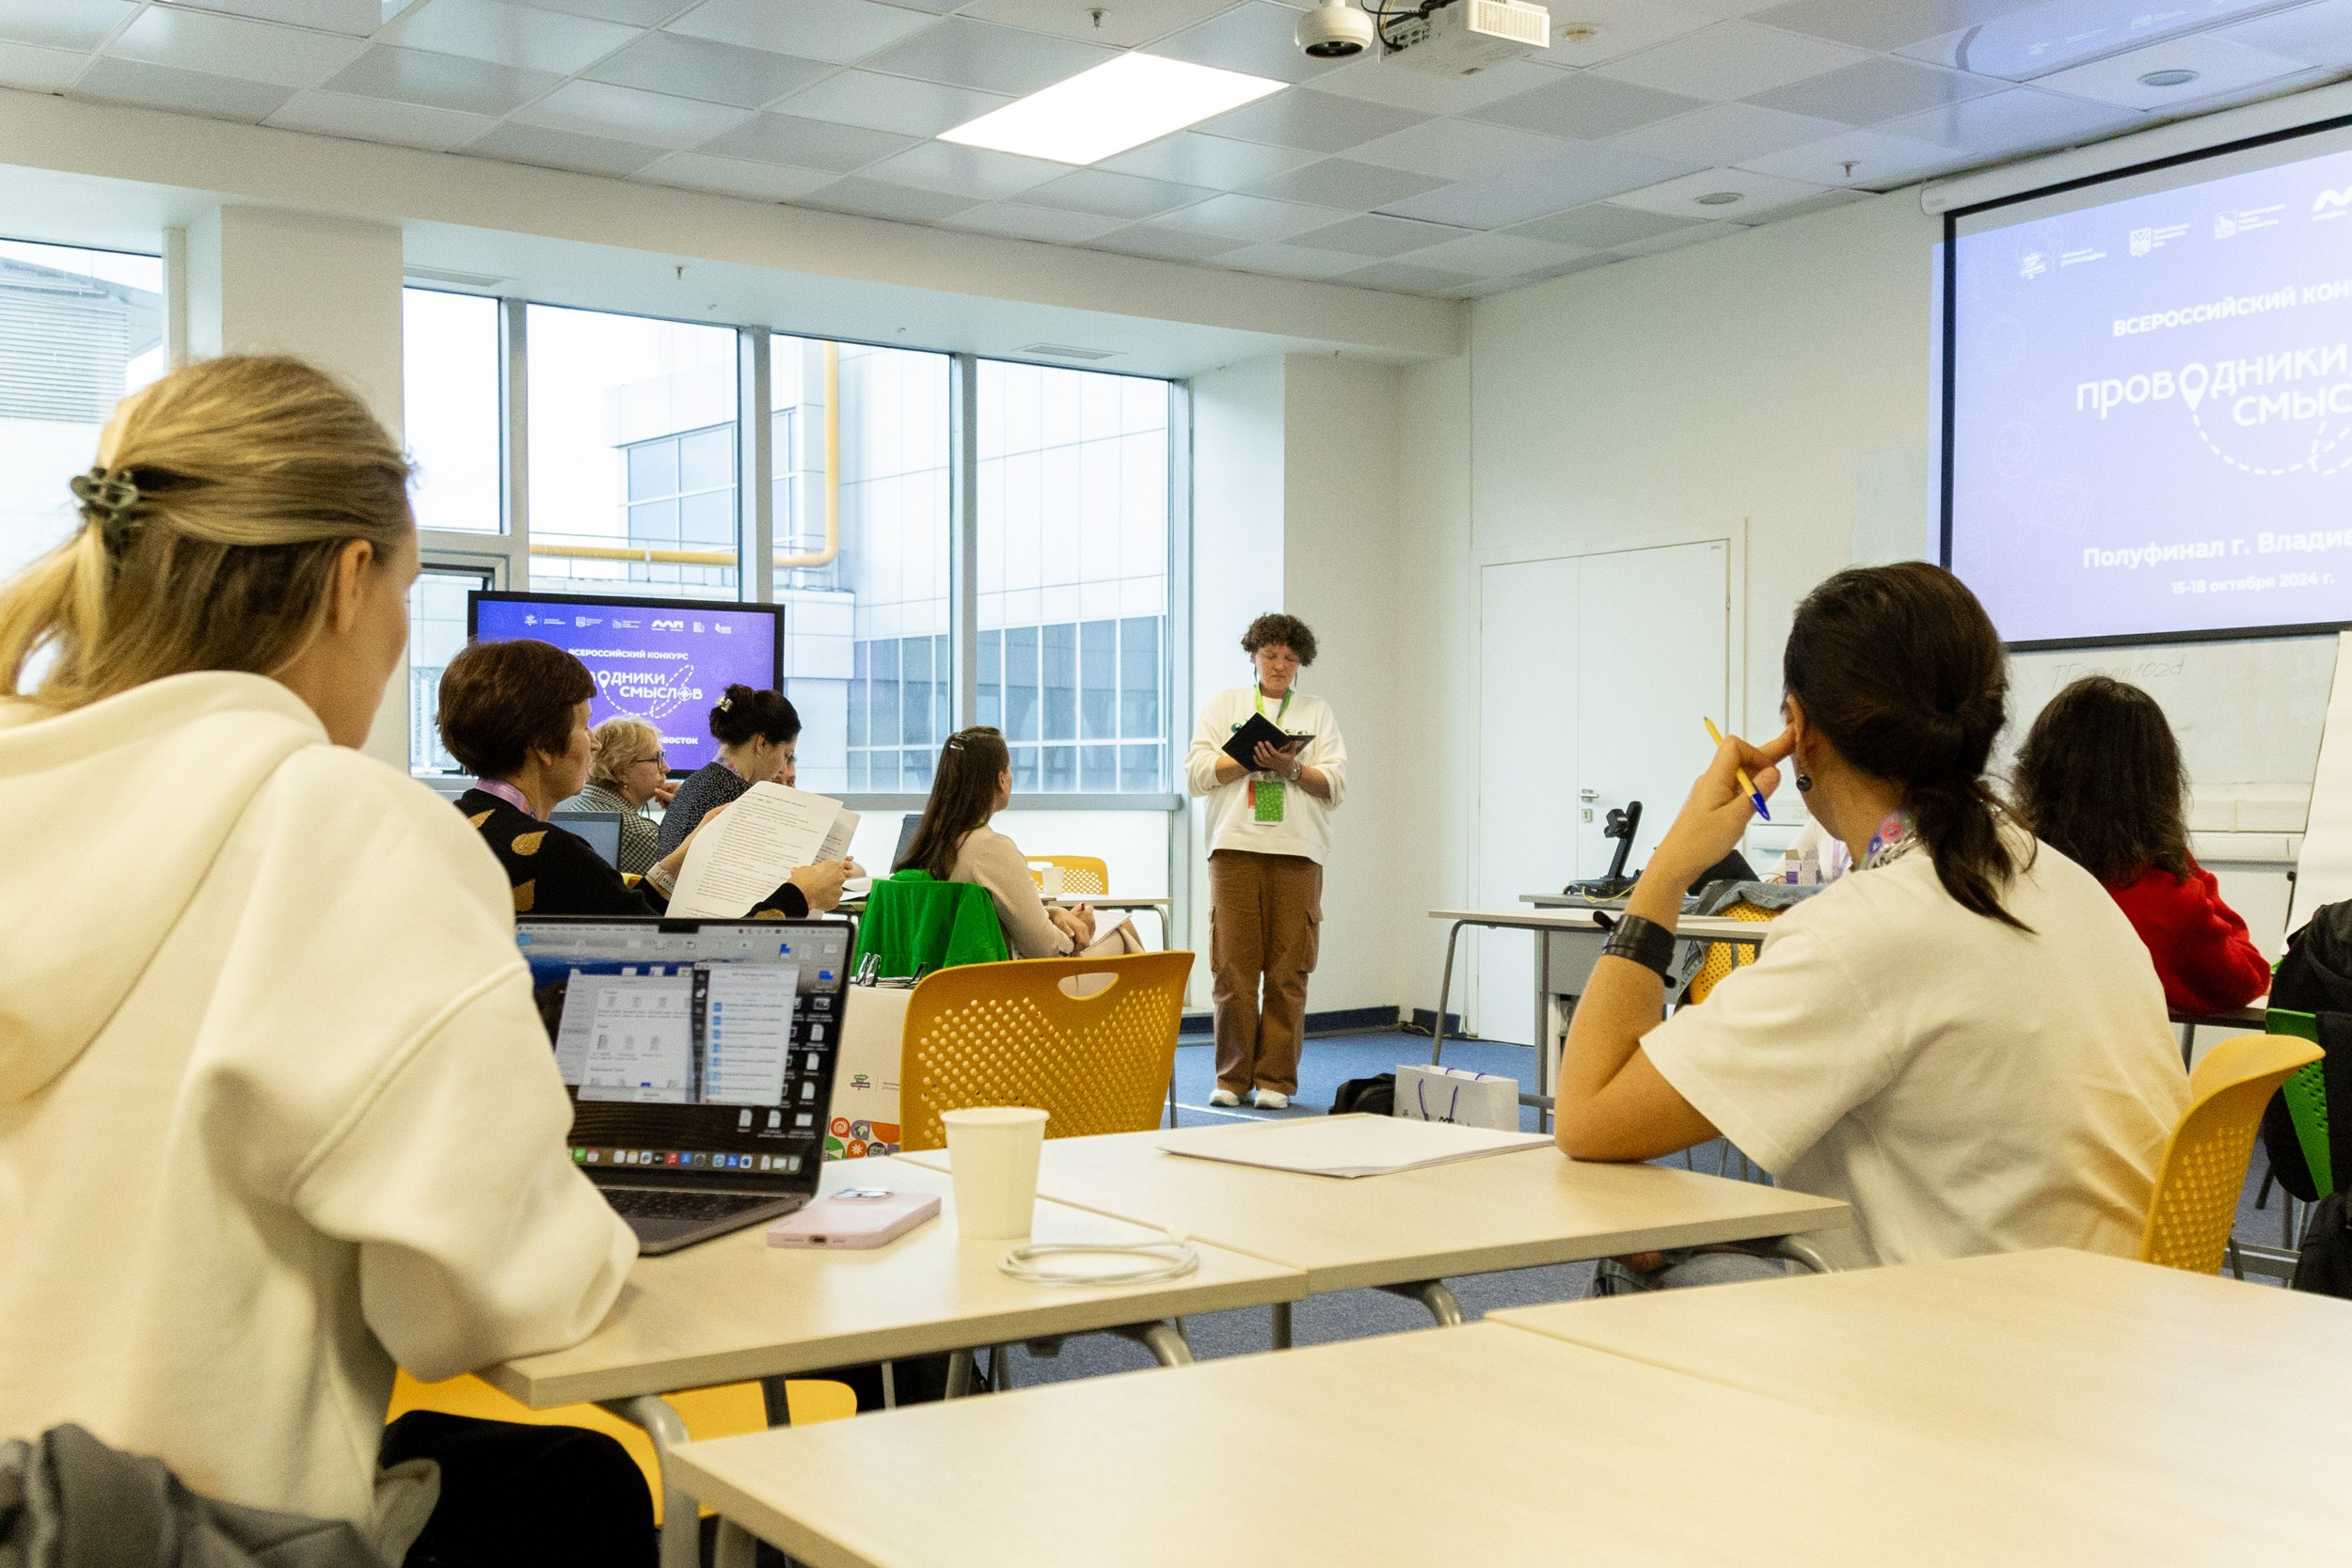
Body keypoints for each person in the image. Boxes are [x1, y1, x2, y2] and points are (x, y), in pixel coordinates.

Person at [0, 356, 650, 1563]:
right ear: (353, 579)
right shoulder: (338, 828)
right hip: (184, 1532)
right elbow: (486, 1291)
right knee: (582, 1481)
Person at [1553, 562, 2187, 1289]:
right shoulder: (2065, 882)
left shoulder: (1864, 931)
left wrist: (1669, 868)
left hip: (1957, 1354)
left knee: (1628, 1263)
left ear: (1800, 729)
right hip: (2109, 1334)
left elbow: (1587, 1115)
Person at [438, 640, 846, 920]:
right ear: (544, 745)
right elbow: (676, 955)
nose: (595, 742)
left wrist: (680, 858)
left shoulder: (449, 829)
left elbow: (621, 918)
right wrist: (799, 896)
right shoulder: (557, 856)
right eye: (584, 726)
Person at [2013, 675, 2271, 1016]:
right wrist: (2180, 863)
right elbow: (2249, 977)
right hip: (2107, 1069)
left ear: (2036, 767)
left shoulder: (1994, 867)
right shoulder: (2167, 899)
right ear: (2157, 783)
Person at [1185, 612, 1348, 1110]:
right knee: (1233, 965)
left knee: (1288, 968)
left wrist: (1292, 768)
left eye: (1289, 658)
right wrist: (1248, 760)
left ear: (1301, 663)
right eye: (1270, 655)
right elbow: (1196, 775)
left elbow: (1336, 786)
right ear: (1253, 656)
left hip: (1298, 851)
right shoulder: (1224, 706)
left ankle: (1276, 1080)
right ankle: (1232, 1078)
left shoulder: (1317, 712)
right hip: (1234, 845)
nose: (1279, 665)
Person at [898, 727, 1139, 958]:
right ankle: (1164, 997)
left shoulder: (927, 845)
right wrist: (1079, 933)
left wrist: (1054, 913)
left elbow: (992, 921)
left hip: (938, 982)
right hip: (1012, 985)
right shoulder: (990, 848)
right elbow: (1044, 948)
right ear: (1001, 779)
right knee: (1122, 930)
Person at [655, 685, 799, 857]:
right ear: (763, 744)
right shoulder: (742, 801)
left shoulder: (691, 785)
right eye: (785, 754)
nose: (782, 767)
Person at [568, 715, 668, 877]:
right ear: (621, 772)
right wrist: (682, 813)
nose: (666, 768)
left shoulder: (579, 808)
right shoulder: (640, 833)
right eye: (656, 759)